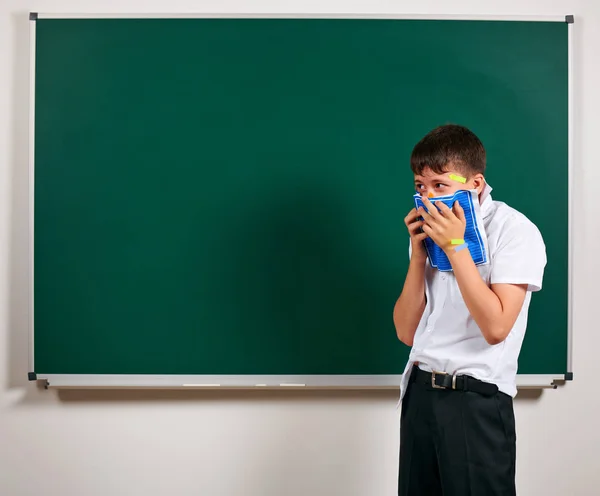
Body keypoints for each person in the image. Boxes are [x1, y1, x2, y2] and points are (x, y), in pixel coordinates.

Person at [393, 124, 547, 496]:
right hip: (421, 393)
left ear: (475, 183)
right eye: (420, 186)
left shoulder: (514, 230)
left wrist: (456, 247)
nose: (428, 197)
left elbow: (496, 326)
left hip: (475, 401)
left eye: (441, 186)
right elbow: (405, 331)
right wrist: (418, 257)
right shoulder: (428, 237)